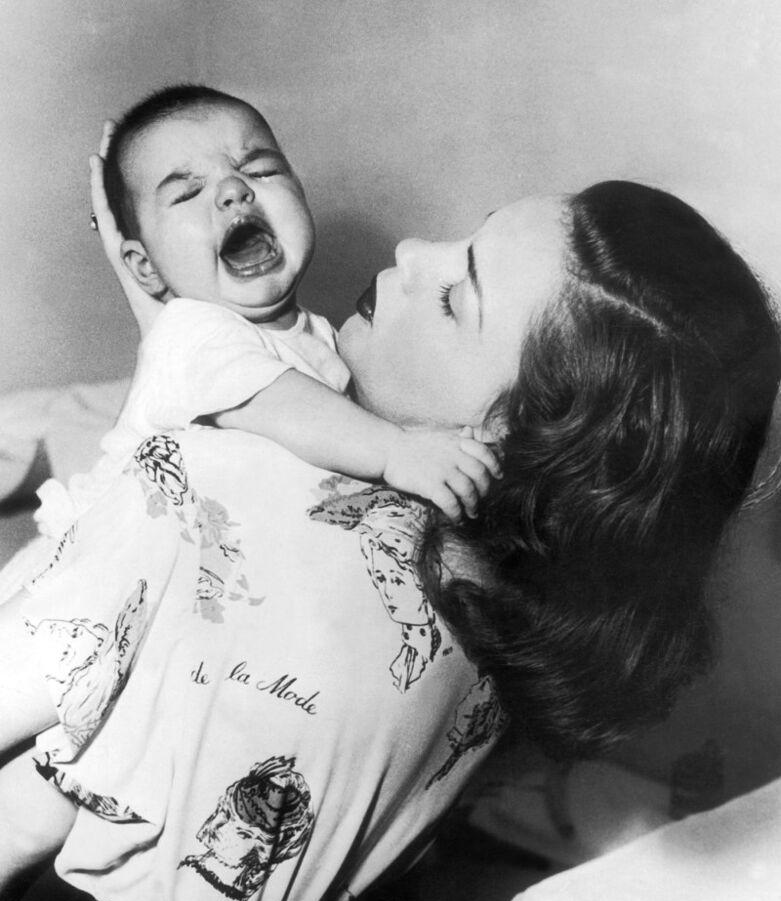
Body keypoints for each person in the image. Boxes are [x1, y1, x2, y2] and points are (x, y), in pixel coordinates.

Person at [0, 177, 778, 901]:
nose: (409, 256)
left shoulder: (208, 488)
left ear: (515, 432)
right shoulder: (499, 603)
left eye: (454, 296)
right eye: (460, 233)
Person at [27, 84, 498, 557]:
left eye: (260, 170)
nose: (234, 191)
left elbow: (342, 424)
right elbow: (280, 402)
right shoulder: (189, 332)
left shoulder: (319, 335)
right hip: (99, 564)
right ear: (145, 267)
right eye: (189, 193)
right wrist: (397, 449)